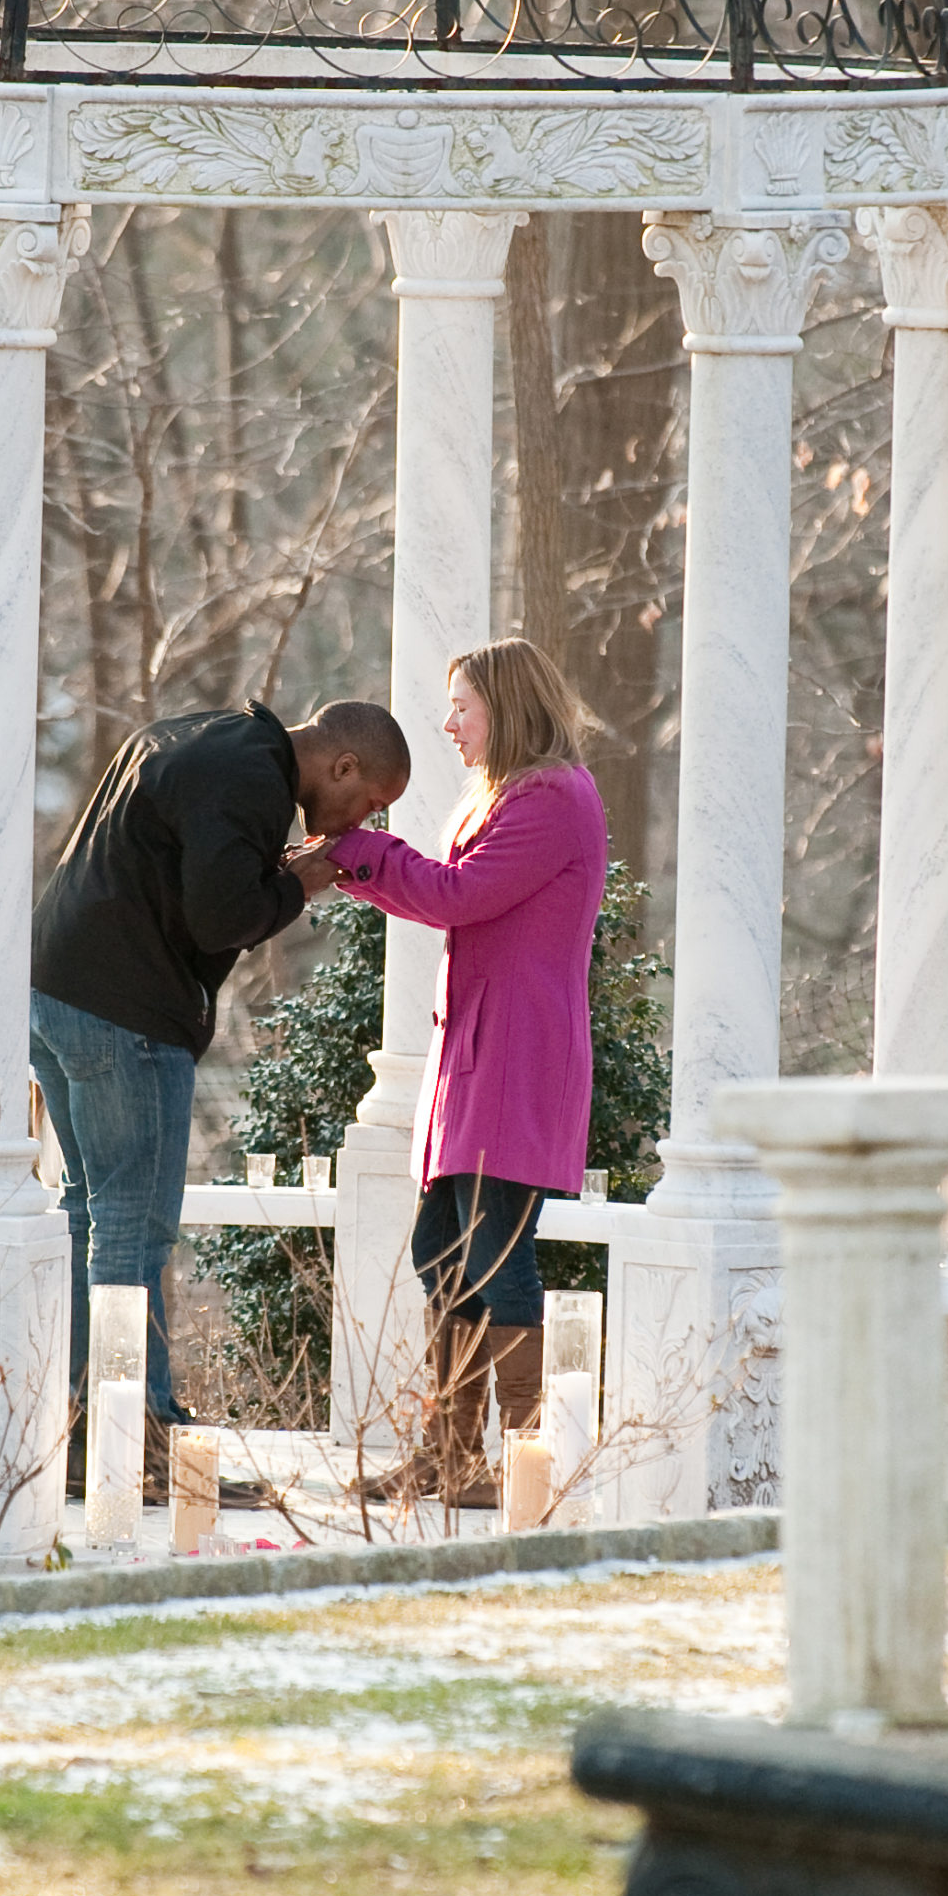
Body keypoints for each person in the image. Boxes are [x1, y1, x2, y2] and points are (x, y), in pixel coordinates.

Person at [31, 698, 409, 1477]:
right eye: (369, 802)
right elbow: (218, 917)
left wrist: (275, 871)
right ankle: (133, 1436)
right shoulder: (251, 778)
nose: (358, 824)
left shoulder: (205, 731)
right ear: (341, 765)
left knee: (88, 1212)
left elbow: (182, 871)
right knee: (133, 1228)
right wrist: (303, 880)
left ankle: (82, 1426)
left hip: (51, 990)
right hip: (125, 1008)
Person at [316, 639, 607, 1507]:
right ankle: (450, 1457)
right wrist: (352, 858)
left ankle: (522, 1463)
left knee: (494, 1252)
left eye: (461, 706)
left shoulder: (553, 796)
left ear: (506, 707)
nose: (448, 723)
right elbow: (444, 892)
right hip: (477, 1059)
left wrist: (353, 849)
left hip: (516, 1059)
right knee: (441, 1248)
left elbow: (453, 897)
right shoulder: (504, 795)